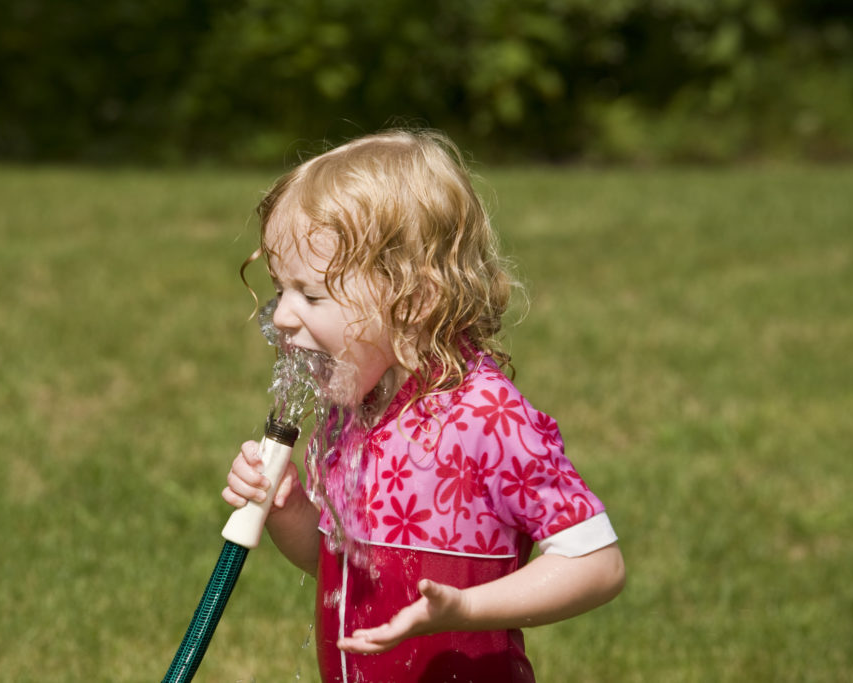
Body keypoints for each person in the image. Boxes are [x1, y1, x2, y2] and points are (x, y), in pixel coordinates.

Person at [222, 129, 625, 682]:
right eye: (280, 288)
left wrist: (464, 609)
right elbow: (335, 570)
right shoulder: (355, 412)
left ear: (412, 300)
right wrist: (290, 511)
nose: (284, 316)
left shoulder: (485, 418)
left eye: (312, 295)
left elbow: (598, 564)